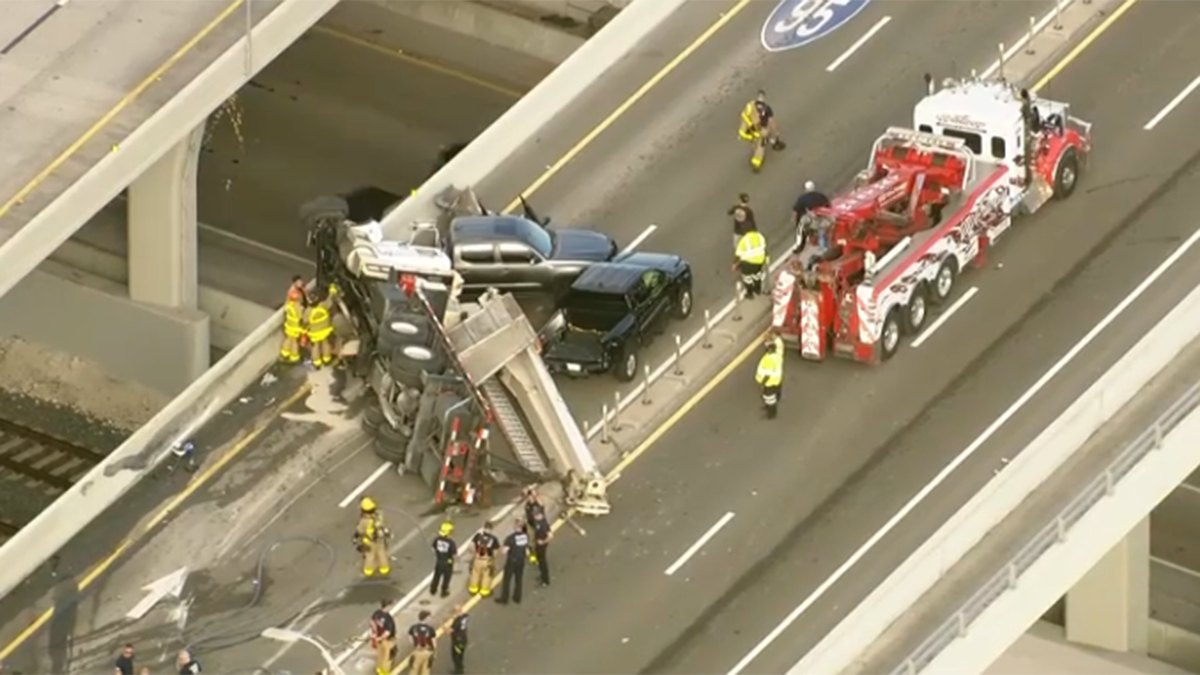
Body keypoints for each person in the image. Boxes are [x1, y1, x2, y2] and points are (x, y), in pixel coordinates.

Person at [738, 90, 785, 171]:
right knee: (761, 145)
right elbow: (771, 122)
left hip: (748, 130)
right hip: (760, 130)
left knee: (754, 142)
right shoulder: (767, 108)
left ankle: (766, 144)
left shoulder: (750, 105)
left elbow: (744, 116)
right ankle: (756, 163)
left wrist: (748, 127)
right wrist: (776, 133)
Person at [355, 497, 391, 577]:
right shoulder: (378, 516)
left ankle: (368, 570)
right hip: (380, 539)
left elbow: (360, 530)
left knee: (370, 555)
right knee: (381, 553)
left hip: (369, 541)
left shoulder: (364, 521)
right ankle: (384, 568)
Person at [495, 520, 529, 605]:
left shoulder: (510, 538)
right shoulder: (525, 536)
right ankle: (517, 597)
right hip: (521, 560)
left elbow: (504, 551)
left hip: (512, 561)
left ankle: (504, 599)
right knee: (518, 579)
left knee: (507, 580)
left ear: (516, 527)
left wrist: (500, 549)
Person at [305, 284, 338, 369]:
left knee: (315, 347)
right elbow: (330, 300)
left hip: (315, 333)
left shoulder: (308, 311)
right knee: (325, 343)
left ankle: (317, 362)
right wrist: (332, 290)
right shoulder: (323, 305)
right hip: (325, 330)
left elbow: (305, 321)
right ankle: (327, 359)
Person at [733, 225, 768, 299]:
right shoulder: (759, 236)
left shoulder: (744, 240)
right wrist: (766, 259)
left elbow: (738, 254)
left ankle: (749, 293)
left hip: (748, 263)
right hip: (759, 261)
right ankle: (757, 289)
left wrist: (735, 264)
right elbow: (764, 247)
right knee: (757, 275)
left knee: (747, 278)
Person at [792, 181, 831, 245]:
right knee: (822, 231)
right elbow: (829, 207)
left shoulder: (802, 199)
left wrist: (796, 223)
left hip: (812, 222)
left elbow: (795, 212)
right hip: (823, 219)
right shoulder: (821, 196)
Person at [755, 334, 785, 419]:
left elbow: (767, 373)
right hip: (776, 380)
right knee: (774, 395)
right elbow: (780, 345)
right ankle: (772, 406)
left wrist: (763, 383)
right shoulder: (778, 354)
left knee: (769, 398)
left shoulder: (769, 359)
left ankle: (771, 413)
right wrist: (774, 338)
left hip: (769, 382)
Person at [468, 521, 500, 596]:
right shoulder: (493, 539)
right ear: (491, 529)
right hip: (487, 560)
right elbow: (496, 550)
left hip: (477, 558)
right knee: (487, 575)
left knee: (475, 574)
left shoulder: (478, 536)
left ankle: (473, 589)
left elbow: (471, 546)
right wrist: (492, 558)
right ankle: (484, 591)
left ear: (484, 528)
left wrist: (474, 554)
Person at [430, 521, 457, 597]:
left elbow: (433, 549)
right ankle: (444, 591)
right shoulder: (451, 542)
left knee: (436, 576)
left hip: (439, 561)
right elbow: (454, 554)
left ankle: (433, 590)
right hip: (448, 563)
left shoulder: (437, 539)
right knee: (446, 578)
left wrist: (439, 554)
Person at [370, 599, 398, 675]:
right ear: (388, 606)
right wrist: (381, 637)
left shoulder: (377, 613)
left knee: (380, 657)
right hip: (387, 641)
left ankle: (378, 671)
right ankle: (384, 673)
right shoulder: (388, 618)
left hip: (379, 641)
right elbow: (387, 633)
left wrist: (375, 634)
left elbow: (372, 622)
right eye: (391, 605)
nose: (392, 607)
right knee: (388, 658)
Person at [280, 286, 307, 363]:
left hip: (289, 326)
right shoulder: (300, 308)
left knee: (288, 339)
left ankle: (284, 353)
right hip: (296, 327)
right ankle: (294, 356)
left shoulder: (288, 306)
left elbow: (285, 312)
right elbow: (302, 318)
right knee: (294, 342)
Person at [408, 610, 437, 675]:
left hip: (417, 651)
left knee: (414, 669)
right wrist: (434, 651)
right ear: (426, 618)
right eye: (429, 617)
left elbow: (410, 638)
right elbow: (433, 641)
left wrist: (415, 645)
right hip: (427, 652)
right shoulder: (430, 629)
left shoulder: (413, 627)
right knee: (425, 670)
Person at [522, 488, 546, 565]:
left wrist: (535, 495)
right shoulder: (527, 505)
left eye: (531, 496)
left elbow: (542, 504)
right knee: (531, 544)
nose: (530, 498)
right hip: (531, 526)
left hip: (539, 526)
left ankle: (540, 557)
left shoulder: (538, 504)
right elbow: (527, 515)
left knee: (540, 543)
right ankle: (533, 558)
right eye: (529, 497)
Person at [531, 509, 552, 587]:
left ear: (541, 515)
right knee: (539, 560)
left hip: (542, 546)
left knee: (543, 562)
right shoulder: (537, 522)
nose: (535, 517)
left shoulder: (544, 524)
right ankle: (542, 575)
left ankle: (545, 580)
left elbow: (550, 536)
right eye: (534, 515)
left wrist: (543, 542)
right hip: (537, 544)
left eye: (536, 515)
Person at [449, 605, 469, 675]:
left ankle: (458, 670)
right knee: (460, 655)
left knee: (455, 656)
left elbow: (450, 631)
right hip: (464, 639)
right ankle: (460, 668)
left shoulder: (457, 622)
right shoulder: (465, 616)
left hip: (457, 641)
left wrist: (443, 627)